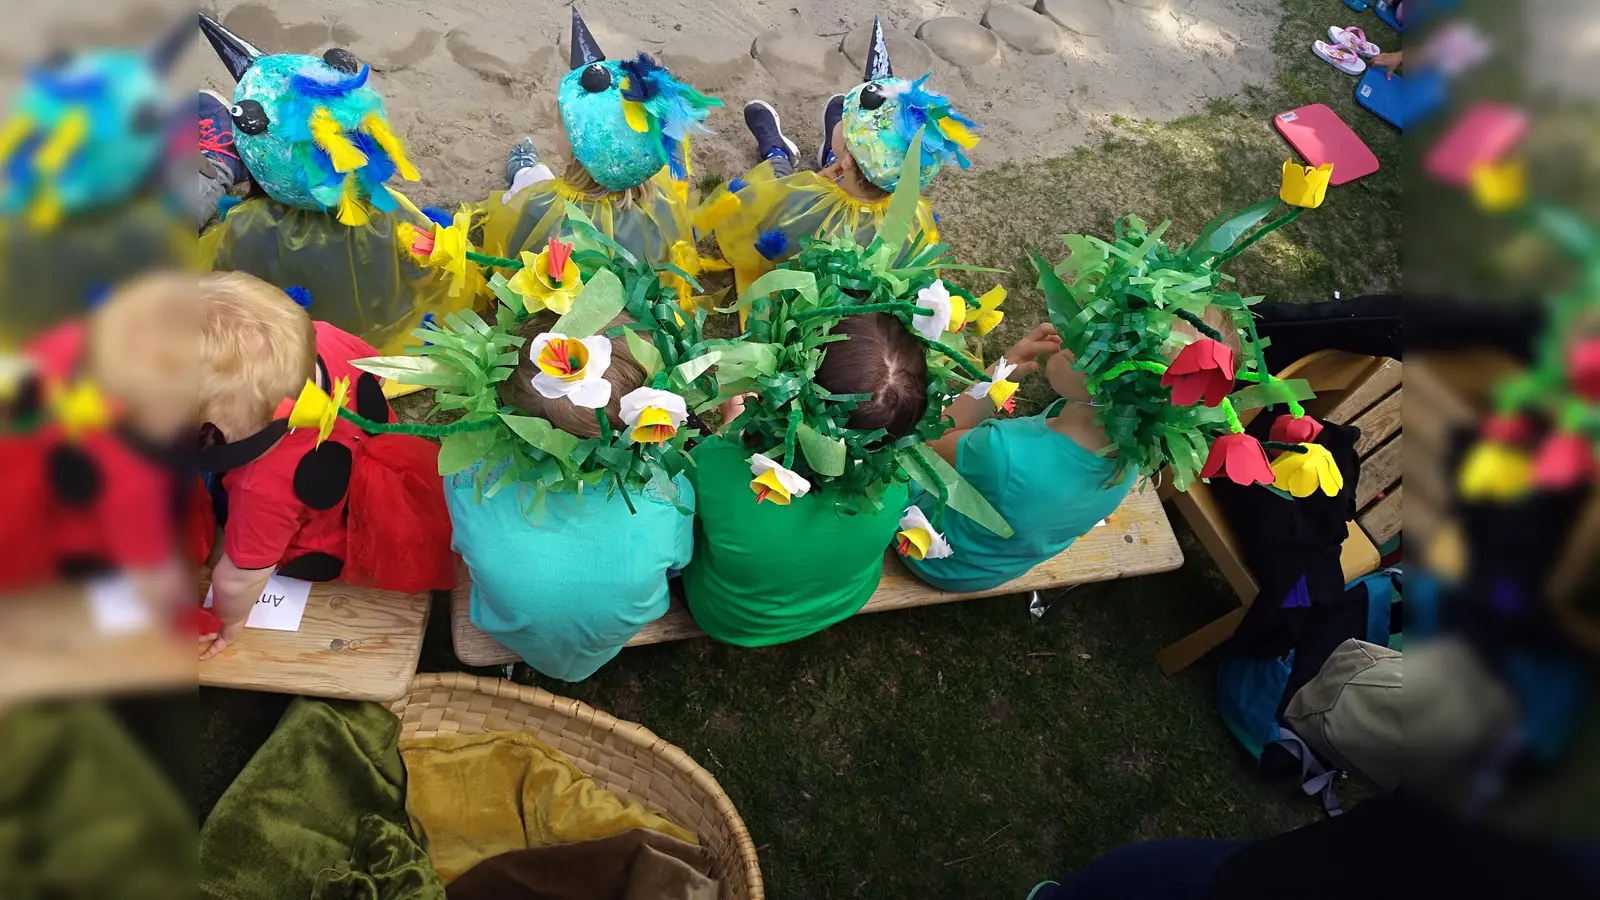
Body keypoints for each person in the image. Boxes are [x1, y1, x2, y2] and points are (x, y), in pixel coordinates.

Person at [197, 272, 454, 659]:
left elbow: (241, 579)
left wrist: (229, 619)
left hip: (328, 538)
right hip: (384, 457)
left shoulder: (260, 488)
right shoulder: (327, 337)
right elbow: (377, 378)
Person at [906, 310, 1243, 593]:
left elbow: (927, 443)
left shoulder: (1002, 451)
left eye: (1090, 337)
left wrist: (1000, 372)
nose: (1069, 330)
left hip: (930, 551)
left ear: (1108, 382)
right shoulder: (1128, 462)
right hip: (993, 565)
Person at [443, 311, 696, 681]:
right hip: (610, 634)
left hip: (509, 625)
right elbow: (679, 561)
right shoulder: (667, 491)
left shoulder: (469, 475)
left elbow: (460, 544)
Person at [197, 14, 462, 356]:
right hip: (390, 329)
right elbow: (419, 267)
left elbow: (230, 284)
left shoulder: (250, 227)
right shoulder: (384, 212)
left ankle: (220, 164)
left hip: (296, 347)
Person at [683, 312, 926, 645]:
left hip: (732, 617)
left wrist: (733, 426)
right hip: (841, 601)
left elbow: (693, 502)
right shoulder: (896, 478)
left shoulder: (716, 462)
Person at [700, 17, 977, 295]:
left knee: (776, 182)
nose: (841, 121)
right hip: (853, 192)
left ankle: (778, 152)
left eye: (844, 122)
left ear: (849, 159)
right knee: (836, 175)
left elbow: (759, 221)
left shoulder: (800, 207)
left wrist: (812, 185)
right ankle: (831, 157)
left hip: (800, 260)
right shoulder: (912, 225)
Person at [483, 9, 721, 306]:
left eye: (561, 125)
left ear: (577, 149)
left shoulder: (541, 212)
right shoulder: (663, 208)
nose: (556, 129)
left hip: (560, 306)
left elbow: (514, 261)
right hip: (631, 311)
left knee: (530, 182)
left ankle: (524, 171)